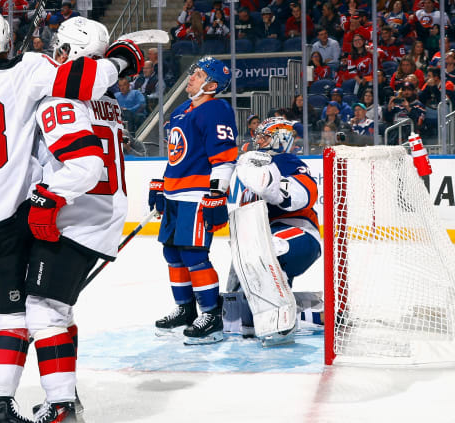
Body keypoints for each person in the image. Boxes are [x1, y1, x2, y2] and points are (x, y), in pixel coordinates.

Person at [0, 10, 140, 423]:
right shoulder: (35, 72)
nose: (54, 51)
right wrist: (119, 63)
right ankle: (3, 403)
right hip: (7, 216)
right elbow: (85, 82)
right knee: (18, 318)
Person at [27, 17, 129, 423]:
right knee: (59, 308)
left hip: (77, 216)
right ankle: (65, 396)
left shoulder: (61, 99)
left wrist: (45, 198)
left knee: (42, 311)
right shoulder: (107, 100)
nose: (55, 53)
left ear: (70, 53)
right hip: (103, 214)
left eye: (60, 47)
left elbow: (85, 166)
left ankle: (60, 406)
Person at [149, 56, 237, 345]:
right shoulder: (182, 110)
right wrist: (162, 185)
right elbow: (177, 155)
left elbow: (224, 159)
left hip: (197, 195)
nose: (191, 78)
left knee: (193, 254)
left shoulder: (216, 110)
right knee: (172, 254)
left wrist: (216, 195)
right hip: (175, 193)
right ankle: (186, 310)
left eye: (198, 75)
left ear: (211, 85)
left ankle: (211, 314)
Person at [226, 117, 321, 342]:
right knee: (242, 309)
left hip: (300, 233)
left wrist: (271, 184)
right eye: (258, 135)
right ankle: (312, 314)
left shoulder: (286, 161)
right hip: (269, 236)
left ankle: (284, 320)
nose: (258, 140)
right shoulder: (252, 170)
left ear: (281, 139)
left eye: (265, 136)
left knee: (266, 249)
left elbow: (305, 193)